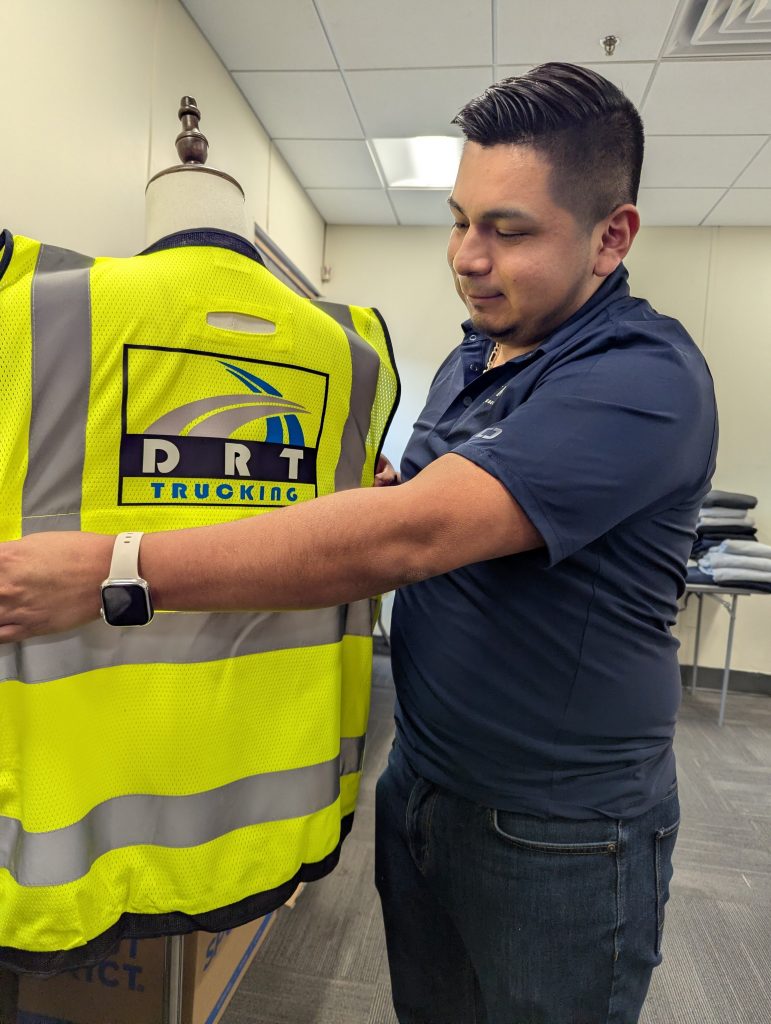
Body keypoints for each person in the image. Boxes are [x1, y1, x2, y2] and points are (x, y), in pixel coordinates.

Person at [0, 63, 717, 1023]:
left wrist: (112, 571)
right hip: (423, 777)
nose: (467, 256)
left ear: (610, 236)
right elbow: (417, 496)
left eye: (508, 231)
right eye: (459, 221)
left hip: (560, 829)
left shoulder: (642, 376)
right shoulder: (481, 354)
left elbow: (414, 535)